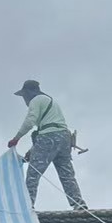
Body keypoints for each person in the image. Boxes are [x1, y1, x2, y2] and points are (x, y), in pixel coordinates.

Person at [8, 79, 86, 211]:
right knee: (66, 174)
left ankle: (27, 206)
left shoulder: (36, 100)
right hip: (64, 138)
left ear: (28, 92)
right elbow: (49, 128)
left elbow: (31, 121)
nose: (24, 99)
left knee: (33, 173)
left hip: (48, 137)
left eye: (24, 95)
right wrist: (31, 151)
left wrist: (16, 138)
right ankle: (79, 203)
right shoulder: (51, 102)